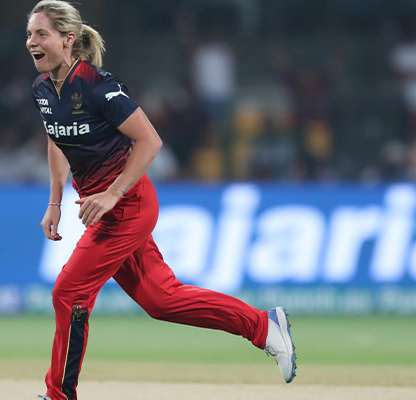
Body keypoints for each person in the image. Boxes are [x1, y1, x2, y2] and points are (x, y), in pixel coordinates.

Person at [25, 2, 296, 399]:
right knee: (161, 299)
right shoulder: (43, 90)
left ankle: (59, 395)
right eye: (29, 34)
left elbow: (150, 140)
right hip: (101, 208)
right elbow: (57, 137)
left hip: (128, 204)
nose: (31, 42)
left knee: (68, 292)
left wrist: (114, 192)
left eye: (41, 34)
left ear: (68, 39)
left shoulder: (100, 85)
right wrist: (54, 201)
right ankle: (263, 326)